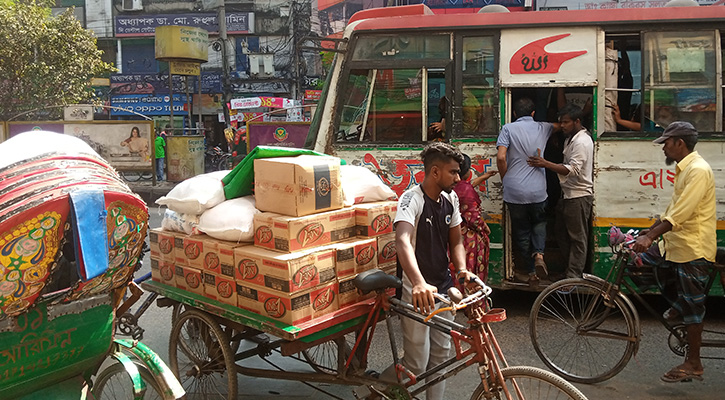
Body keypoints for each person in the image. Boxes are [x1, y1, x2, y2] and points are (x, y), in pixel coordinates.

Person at [385, 142, 478, 400]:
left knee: (440, 357)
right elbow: (402, 241)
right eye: (453, 172)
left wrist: (461, 270)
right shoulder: (411, 199)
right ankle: (374, 389)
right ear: (435, 172)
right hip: (418, 292)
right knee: (415, 364)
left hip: (444, 288)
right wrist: (417, 282)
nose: (458, 178)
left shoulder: (451, 198)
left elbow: (456, 240)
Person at [631, 121, 716, 383]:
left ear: (680, 143)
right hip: (675, 245)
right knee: (639, 266)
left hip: (692, 248)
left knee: (693, 309)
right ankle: (676, 307)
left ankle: (694, 363)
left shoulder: (698, 170)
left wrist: (651, 236)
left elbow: (681, 213)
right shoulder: (685, 169)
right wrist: (645, 233)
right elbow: (670, 210)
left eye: (666, 143)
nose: (664, 148)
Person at [496, 97, 560, 286]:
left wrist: (505, 177)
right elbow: (562, 126)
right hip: (537, 190)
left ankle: (532, 272)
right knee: (539, 223)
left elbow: (501, 157)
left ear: (515, 113)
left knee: (522, 230)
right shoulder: (543, 127)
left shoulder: (508, 128)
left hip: (514, 190)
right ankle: (539, 254)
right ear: (533, 114)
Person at [527, 103, 593, 279]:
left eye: (565, 122)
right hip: (568, 195)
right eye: (561, 122)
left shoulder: (581, 141)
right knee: (561, 232)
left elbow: (573, 170)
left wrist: (545, 163)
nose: (562, 126)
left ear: (577, 121)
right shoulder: (570, 139)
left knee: (578, 238)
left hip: (578, 196)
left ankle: (574, 276)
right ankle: (569, 271)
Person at [452, 153, 498, 283]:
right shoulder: (466, 190)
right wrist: (485, 227)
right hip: (467, 239)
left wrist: (484, 177)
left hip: (454, 234)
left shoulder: (453, 185)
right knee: (470, 274)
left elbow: (467, 187)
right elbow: (473, 218)